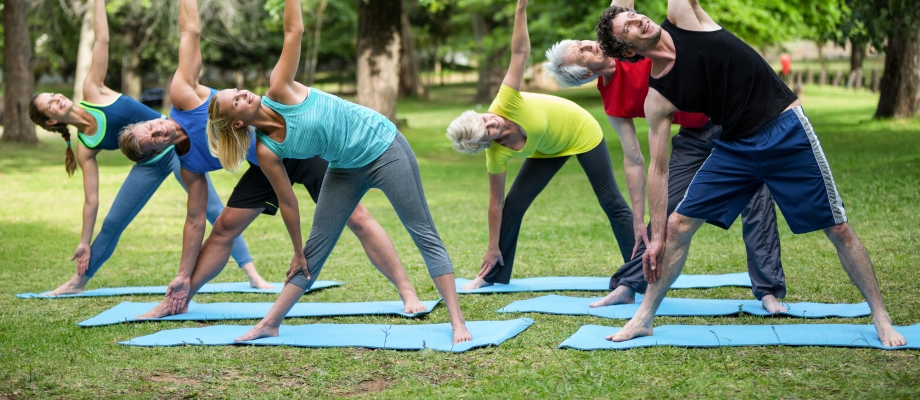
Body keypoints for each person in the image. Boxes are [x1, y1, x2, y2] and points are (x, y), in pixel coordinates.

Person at [595, 0, 905, 346]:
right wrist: (655, 239)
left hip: (785, 128)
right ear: (628, 49)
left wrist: (624, 9)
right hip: (735, 146)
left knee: (838, 227)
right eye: (629, 28)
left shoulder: (683, 18)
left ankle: (880, 314)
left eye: (635, 16)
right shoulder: (658, 97)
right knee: (675, 226)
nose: (639, 21)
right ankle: (643, 318)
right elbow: (659, 168)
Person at [119, 0, 426, 319]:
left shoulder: (184, 96)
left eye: (149, 125)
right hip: (268, 161)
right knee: (223, 227)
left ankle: (407, 291)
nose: (158, 129)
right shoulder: (190, 165)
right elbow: (196, 220)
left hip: (303, 147)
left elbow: (190, 31)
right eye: (153, 138)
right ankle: (180, 298)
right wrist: (183, 274)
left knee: (357, 217)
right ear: (158, 152)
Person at [206, 0, 471, 344]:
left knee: (420, 229)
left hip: (383, 146)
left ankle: (457, 321)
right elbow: (287, 202)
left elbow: (293, 31)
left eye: (237, 91)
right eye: (235, 101)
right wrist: (298, 249)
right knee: (314, 252)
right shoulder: (266, 150)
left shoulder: (279, 88)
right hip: (345, 169)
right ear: (238, 121)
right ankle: (269, 323)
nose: (242, 93)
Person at [542, 0, 787, 313]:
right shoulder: (613, 97)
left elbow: (623, 6)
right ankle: (629, 285)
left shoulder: (624, 38)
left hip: (733, 117)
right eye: (582, 52)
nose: (590, 44)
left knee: (757, 199)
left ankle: (767, 292)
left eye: (582, 43)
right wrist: (637, 218)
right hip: (694, 134)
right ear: (585, 73)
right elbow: (634, 160)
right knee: (664, 212)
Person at [27, 0, 268, 296]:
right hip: (151, 158)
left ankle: (252, 274)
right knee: (115, 220)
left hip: (177, 142)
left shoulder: (93, 90)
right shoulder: (85, 147)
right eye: (50, 105)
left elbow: (102, 39)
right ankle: (79, 281)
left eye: (53, 94)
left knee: (213, 210)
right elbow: (92, 200)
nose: (57, 99)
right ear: (51, 120)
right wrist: (83, 240)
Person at [445, 0, 635, 291]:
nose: (493, 121)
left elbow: (520, 52)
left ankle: (639, 274)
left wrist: (520, 10)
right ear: (484, 143)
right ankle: (493, 273)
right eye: (488, 130)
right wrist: (492, 245)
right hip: (548, 147)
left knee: (611, 202)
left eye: (485, 118)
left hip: (580, 130)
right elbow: (494, 203)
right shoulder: (496, 155)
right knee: (513, 204)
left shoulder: (505, 101)